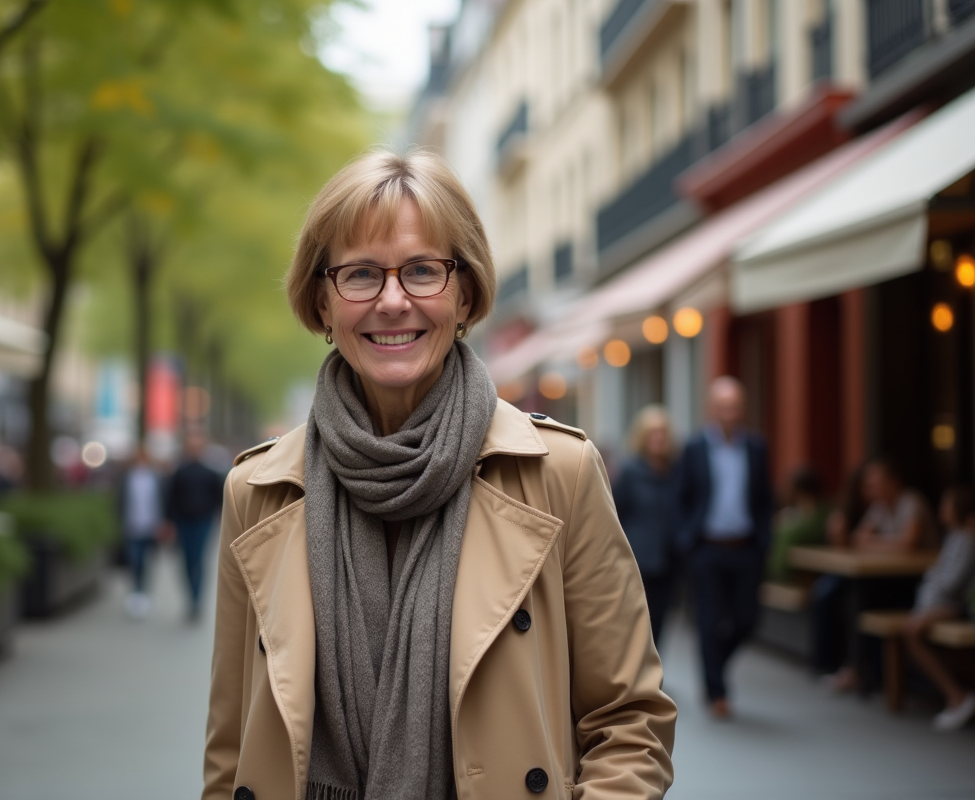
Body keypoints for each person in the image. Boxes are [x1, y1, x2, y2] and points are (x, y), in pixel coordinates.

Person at [203, 150, 675, 800]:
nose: (393, 301)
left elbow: (629, 722)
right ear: (321, 300)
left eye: (423, 270)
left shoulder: (559, 472)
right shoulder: (255, 494)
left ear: (465, 292)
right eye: (361, 274)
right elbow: (232, 754)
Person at [677, 376, 773, 720]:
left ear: (742, 409)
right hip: (707, 548)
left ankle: (716, 666)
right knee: (708, 620)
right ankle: (716, 689)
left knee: (747, 620)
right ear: (712, 410)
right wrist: (686, 539)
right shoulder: (695, 447)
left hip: (745, 547)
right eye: (723, 407)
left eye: (734, 406)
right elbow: (683, 496)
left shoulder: (757, 447)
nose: (729, 413)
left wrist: (764, 540)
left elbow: (764, 498)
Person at [812, 458, 935, 688]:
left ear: (894, 482)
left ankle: (861, 670)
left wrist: (875, 542)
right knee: (838, 593)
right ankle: (845, 666)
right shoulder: (879, 507)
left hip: (920, 581)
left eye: (876, 482)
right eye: (868, 483)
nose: (870, 488)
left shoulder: (911, 502)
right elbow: (858, 539)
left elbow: (908, 544)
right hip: (888, 576)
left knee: (859, 598)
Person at [901, 486, 975, 731]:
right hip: (944, 604)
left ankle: (957, 696)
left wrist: (932, 576)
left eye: (946, 505)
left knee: (912, 631)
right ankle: (956, 695)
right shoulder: (954, 537)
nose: (941, 510)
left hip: (957, 607)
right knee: (911, 629)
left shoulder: (967, 539)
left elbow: (952, 584)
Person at [612, 405, 679, 645]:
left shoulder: (675, 471)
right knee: (637, 624)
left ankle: (653, 677)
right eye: (653, 433)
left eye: (663, 433)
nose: (658, 439)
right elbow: (615, 513)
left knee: (660, 623)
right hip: (637, 561)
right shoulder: (630, 471)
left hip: (667, 561)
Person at [165, 429, 224, 621]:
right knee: (186, 561)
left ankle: (196, 601)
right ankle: (191, 597)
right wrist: (170, 522)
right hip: (183, 523)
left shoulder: (210, 473)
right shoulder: (179, 473)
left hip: (203, 523)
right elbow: (170, 499)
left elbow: (219, 499)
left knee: (198, 560)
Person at [117, 446, 166, 619]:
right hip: (132, 527)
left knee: (146, 561)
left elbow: (162, 501)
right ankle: (136, 591)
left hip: (150, 527)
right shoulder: (126, 478)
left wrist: (162, 523)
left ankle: (144, 592)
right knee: (134, 560)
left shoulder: (156, 477)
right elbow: (119, 501)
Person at [766, 467, 831, 583]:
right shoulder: (792, 513)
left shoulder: (818, 517)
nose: (784, 490)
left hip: (796, 576)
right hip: (789, 573)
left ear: (799, 489)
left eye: (788, 486)